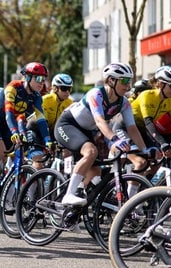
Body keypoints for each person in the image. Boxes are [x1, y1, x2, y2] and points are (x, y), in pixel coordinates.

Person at [54, 62, 148, 206]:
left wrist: (145, 150)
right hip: (68, 125)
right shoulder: (96, 94)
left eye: (129, 81)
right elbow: (99, 121)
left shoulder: (124, 103)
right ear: (111, 80)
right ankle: (69, 194)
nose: (128, 85)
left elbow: (132, 128)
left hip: (86, 131)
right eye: (124, 81)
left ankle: (77, 202)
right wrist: (115, 139)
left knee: (96, 171)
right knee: (91, 151)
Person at [0, 62, 52, 199]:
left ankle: (8, 197)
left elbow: (41, 120)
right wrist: (15, 132)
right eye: (38, 79)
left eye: (43, 79)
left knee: (19, 158)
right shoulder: (13, 87)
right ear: (27, 77)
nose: (41, 83)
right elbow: (9, 114)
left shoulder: (36, 97)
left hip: (10, 126)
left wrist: (47, 141)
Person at [131, 65, 171, 151]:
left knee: (156, 155)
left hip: (141, 129)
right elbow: (149, 123)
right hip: (126, 126)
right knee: (140, 161)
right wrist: (162, 143)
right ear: (161, 84)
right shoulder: (147, 95)